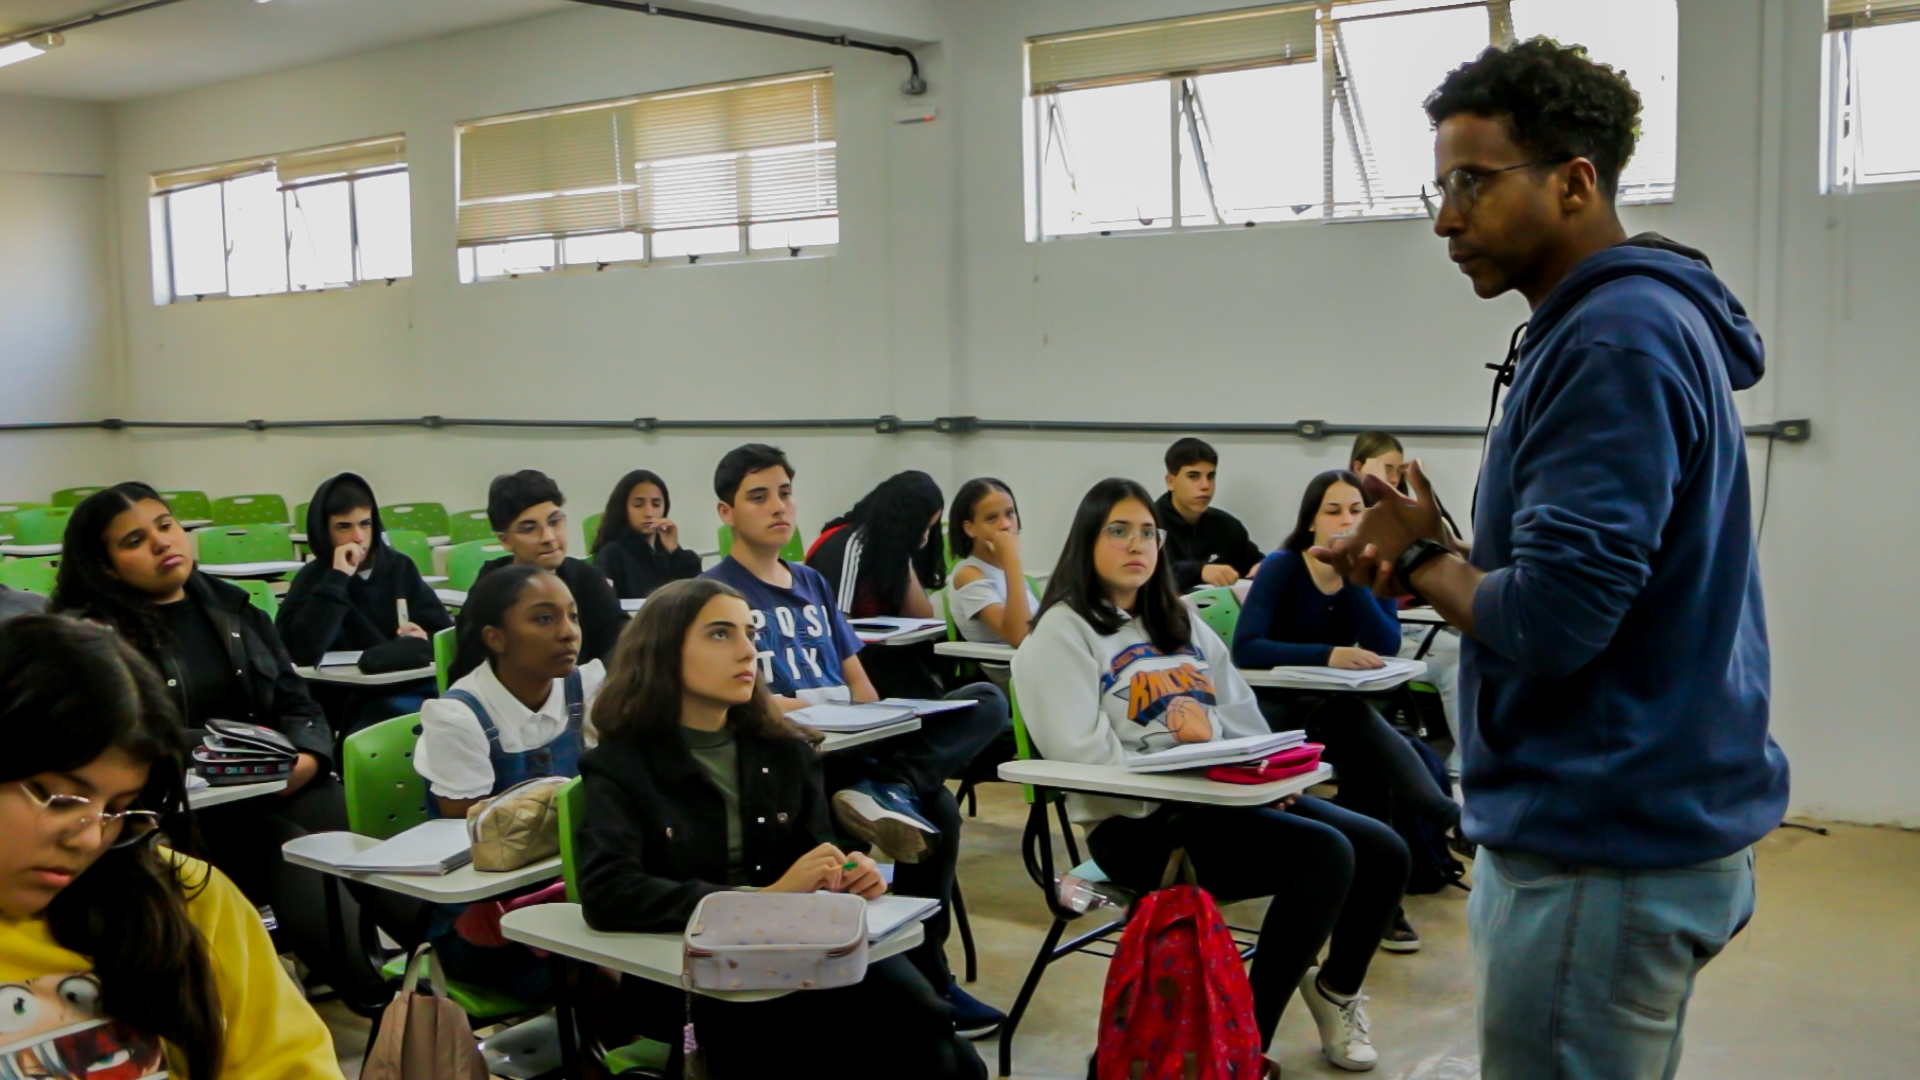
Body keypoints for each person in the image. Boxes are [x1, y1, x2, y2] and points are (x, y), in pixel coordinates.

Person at [1316, 40, 1789, 1079]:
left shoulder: (1613, 338)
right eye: (1440, 188)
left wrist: (1427, 557)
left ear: (1576, 182)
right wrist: (1447, 551)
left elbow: (1556, 624)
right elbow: (1585, 581)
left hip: (1601, 842)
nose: (1445, 219)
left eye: (1473, 185)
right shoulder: (1624, 323)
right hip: (1629, 821)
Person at [1015, 478, 1409, 1072]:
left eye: (1148, 532)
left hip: (1221, 799)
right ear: (1085, 541)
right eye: (1118, 530)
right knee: (1326, 857)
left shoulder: (1179, 622)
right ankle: (1243, 1046)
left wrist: (1264, 773)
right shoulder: (1062, 633)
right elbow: (1084, 760)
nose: (1136, 544)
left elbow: (1238, 711)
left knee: (1385, 851)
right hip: (1141, 826)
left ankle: (1334, 993)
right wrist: (1205, 773)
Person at [575, 578, 986, 1079]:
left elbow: (814, 853)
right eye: (721, 634)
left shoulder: (785, 749)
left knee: (942, 1042)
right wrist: (760, 899)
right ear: (663, 651)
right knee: (911, 1049)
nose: (749, 650)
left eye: (750, 633)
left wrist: (851, 873)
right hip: (696, 978)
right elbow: (608, 893)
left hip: (802, 951)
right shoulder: (620, 764)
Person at [48, 483, 396, 1006]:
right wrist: (233, 755)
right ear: (105, 565)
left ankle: (437, 964)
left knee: (348, 821)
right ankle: (377, 996)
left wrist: (307, 757)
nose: (163, 542)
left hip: (274, 779)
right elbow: (130, 735)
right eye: (135, 540)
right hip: (183, 807)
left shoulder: (236, 612)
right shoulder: (92, 639)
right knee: (288, 851)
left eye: (166, 525)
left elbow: (298, 702)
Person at [702, 444, 1007, 1038]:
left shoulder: (812, 581)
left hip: (855, 745)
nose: (778, 507)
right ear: (725, 511)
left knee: (986, 703)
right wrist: (818, 701)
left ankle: (887, 790)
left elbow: (863, 690)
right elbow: (744, 702)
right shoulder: (715, 593)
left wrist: (842, 704)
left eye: (785, 492)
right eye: (758, 496)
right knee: (939, 806)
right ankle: (927, 977)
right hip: (791, 761)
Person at [0, 615, 343, 1079]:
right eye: (58, 797)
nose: (88, 836)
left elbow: (288, 1064)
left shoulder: (183, 898)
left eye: (118, 809)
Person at [1233, 469, 1467, 952]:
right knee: (1358, 724)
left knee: (1368, 756)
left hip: (1331, 711)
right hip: (1275, 710)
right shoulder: (1282, 566)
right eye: (1333, 510)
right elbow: (1247, 647)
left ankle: (1376, 899)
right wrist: (1327, 654)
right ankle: (1444, 822)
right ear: (1311, 521)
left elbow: (1384, 642)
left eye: (1356, 512)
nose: (1345, 520)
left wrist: (1353, 573)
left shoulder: (1365, 571)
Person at [415, 564, 604, 998]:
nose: (568, 632)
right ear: (495, 638)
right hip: (481, 921)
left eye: (572, 616)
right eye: (544, 618)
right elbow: (472, 843)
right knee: (604, 978)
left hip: (570, 895)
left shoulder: (585, 689)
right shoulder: (458, 717)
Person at [277, 472, 454, 733]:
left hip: (405, 690)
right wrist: (337, 578)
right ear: (324, 531)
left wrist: (424, 636)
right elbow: (298, 650)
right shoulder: (313, 578)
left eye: (365, 523)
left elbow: (443, 634)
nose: (358, 537)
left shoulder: (398, 566)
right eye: (343, 526)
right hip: (340, 699)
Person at [1349, 433, 1467, 772]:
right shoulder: (1358, 519)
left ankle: (1481, 751)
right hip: (1376, 632)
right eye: (1387, 468)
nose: (1393, 479)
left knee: (1478, 648)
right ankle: (1465, 761)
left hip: (1414, 621)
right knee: (1456, 663)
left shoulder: (1405, 514)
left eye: (1398, 471)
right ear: (1358, 466)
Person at [805, 470, 949, 699]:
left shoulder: (890, 549)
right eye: (922, 526)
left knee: (982, 699)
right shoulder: (850, 543)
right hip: (848, 665)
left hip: (886, 661)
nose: (924, 537)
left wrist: (905, 553)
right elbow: (839, 625)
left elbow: (921, 617)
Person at [473, 469, 627, 666]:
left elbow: (622, 645)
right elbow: (472, 665)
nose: (549, 537)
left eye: (555, 522)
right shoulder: (491, 591)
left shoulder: (586, 577)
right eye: (529, 528)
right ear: (505, 540)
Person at [946, 477, 1039, 690]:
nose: (1005, 525)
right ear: (970, 528)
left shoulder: (1005, 571)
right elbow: (1019, 636)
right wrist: (1012, 559)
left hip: (1042, 662)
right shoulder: (968, 574)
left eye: (1010, 513)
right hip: (1019, 677)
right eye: (991, 518)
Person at [1157, 437, 1266, 592]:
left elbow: (1253, 561)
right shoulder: (1146, 524)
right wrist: (1199, 571)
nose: (1205, 485)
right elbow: (1143, 575)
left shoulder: (1227, 526)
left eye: (1211, 476)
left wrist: (1262, 567)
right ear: (1171, 482)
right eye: (1193, 476)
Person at [590, 469, 702, 601]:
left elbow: (695, 593)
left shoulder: (668, 553)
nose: (649, 513)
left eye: (656, 504)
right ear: (623, 508)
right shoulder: (612, 554)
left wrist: (674, 550)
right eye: (638, 505)